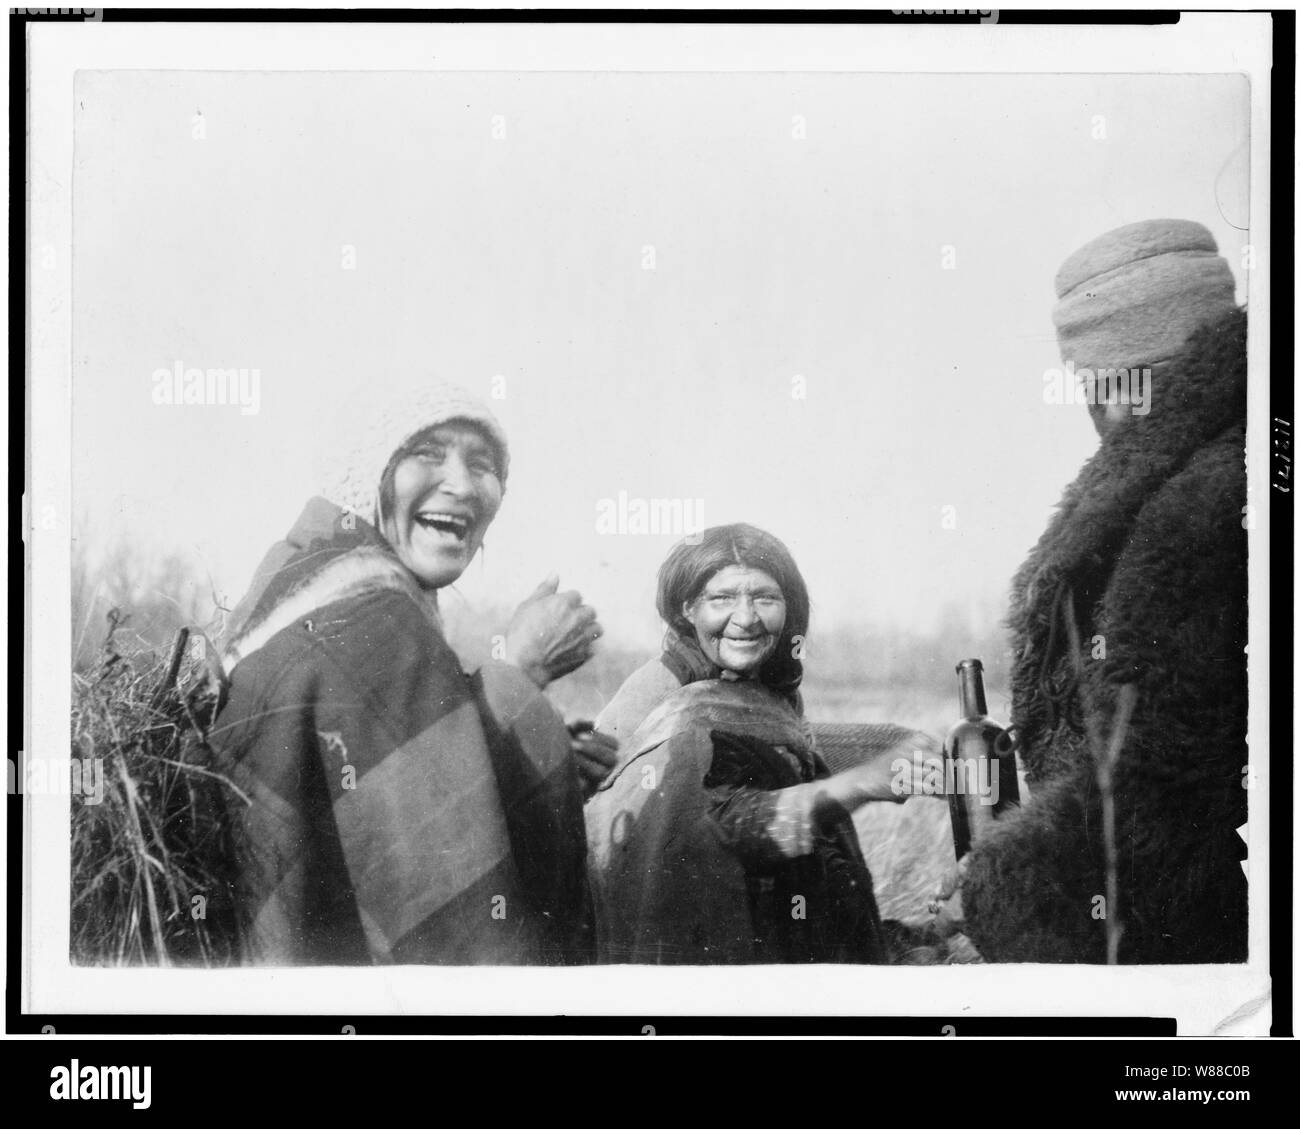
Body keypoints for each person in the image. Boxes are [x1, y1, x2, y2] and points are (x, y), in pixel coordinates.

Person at [211, 383, 608, 964]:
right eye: (427, 453)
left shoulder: (307, 578)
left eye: (483, 464)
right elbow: (446, 912)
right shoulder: (373, 621)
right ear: (363, 473)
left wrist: (541, 748)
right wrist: (520, 674)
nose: (464, 484)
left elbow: (368, 790)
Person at [952, 219, 1249, 963]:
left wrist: (1013, 871)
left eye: (1098, 381)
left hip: (1180, 927)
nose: (1092, 406)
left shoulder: (1199, 506)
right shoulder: (1208, 465)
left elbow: (1168, 781)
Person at [584, 523, 938, 964]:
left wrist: (891, 744)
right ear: (687, 609)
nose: (746, 618)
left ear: (789, 609)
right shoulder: (664, 695)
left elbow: (784, 749)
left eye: (765, 598)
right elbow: (711, 823)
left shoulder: (764, 687)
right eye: (723, 598)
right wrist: (861, 783)